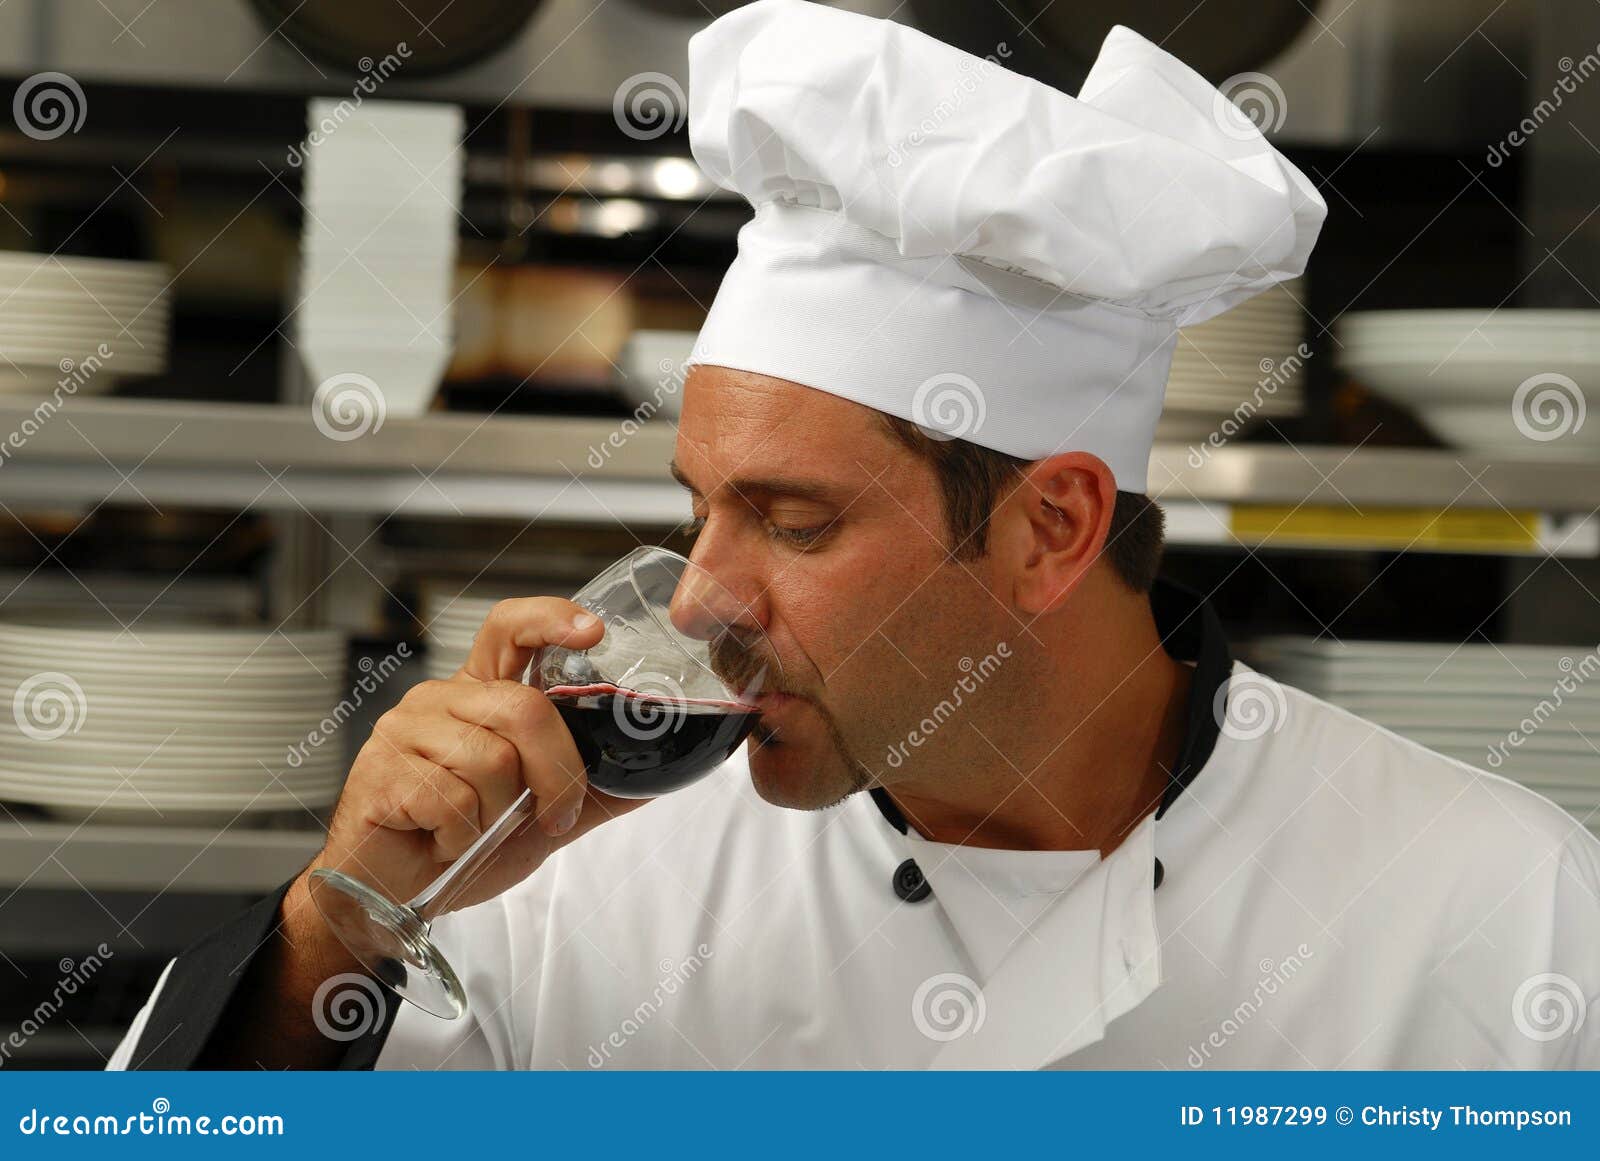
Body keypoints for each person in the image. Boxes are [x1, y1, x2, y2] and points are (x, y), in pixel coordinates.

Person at [109, 0, 1598, 1070]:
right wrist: (337, 925)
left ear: (1052, 526)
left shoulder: (1498, 916)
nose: (697, 601)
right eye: (697, 509)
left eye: (794, 521)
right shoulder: (556, 877)